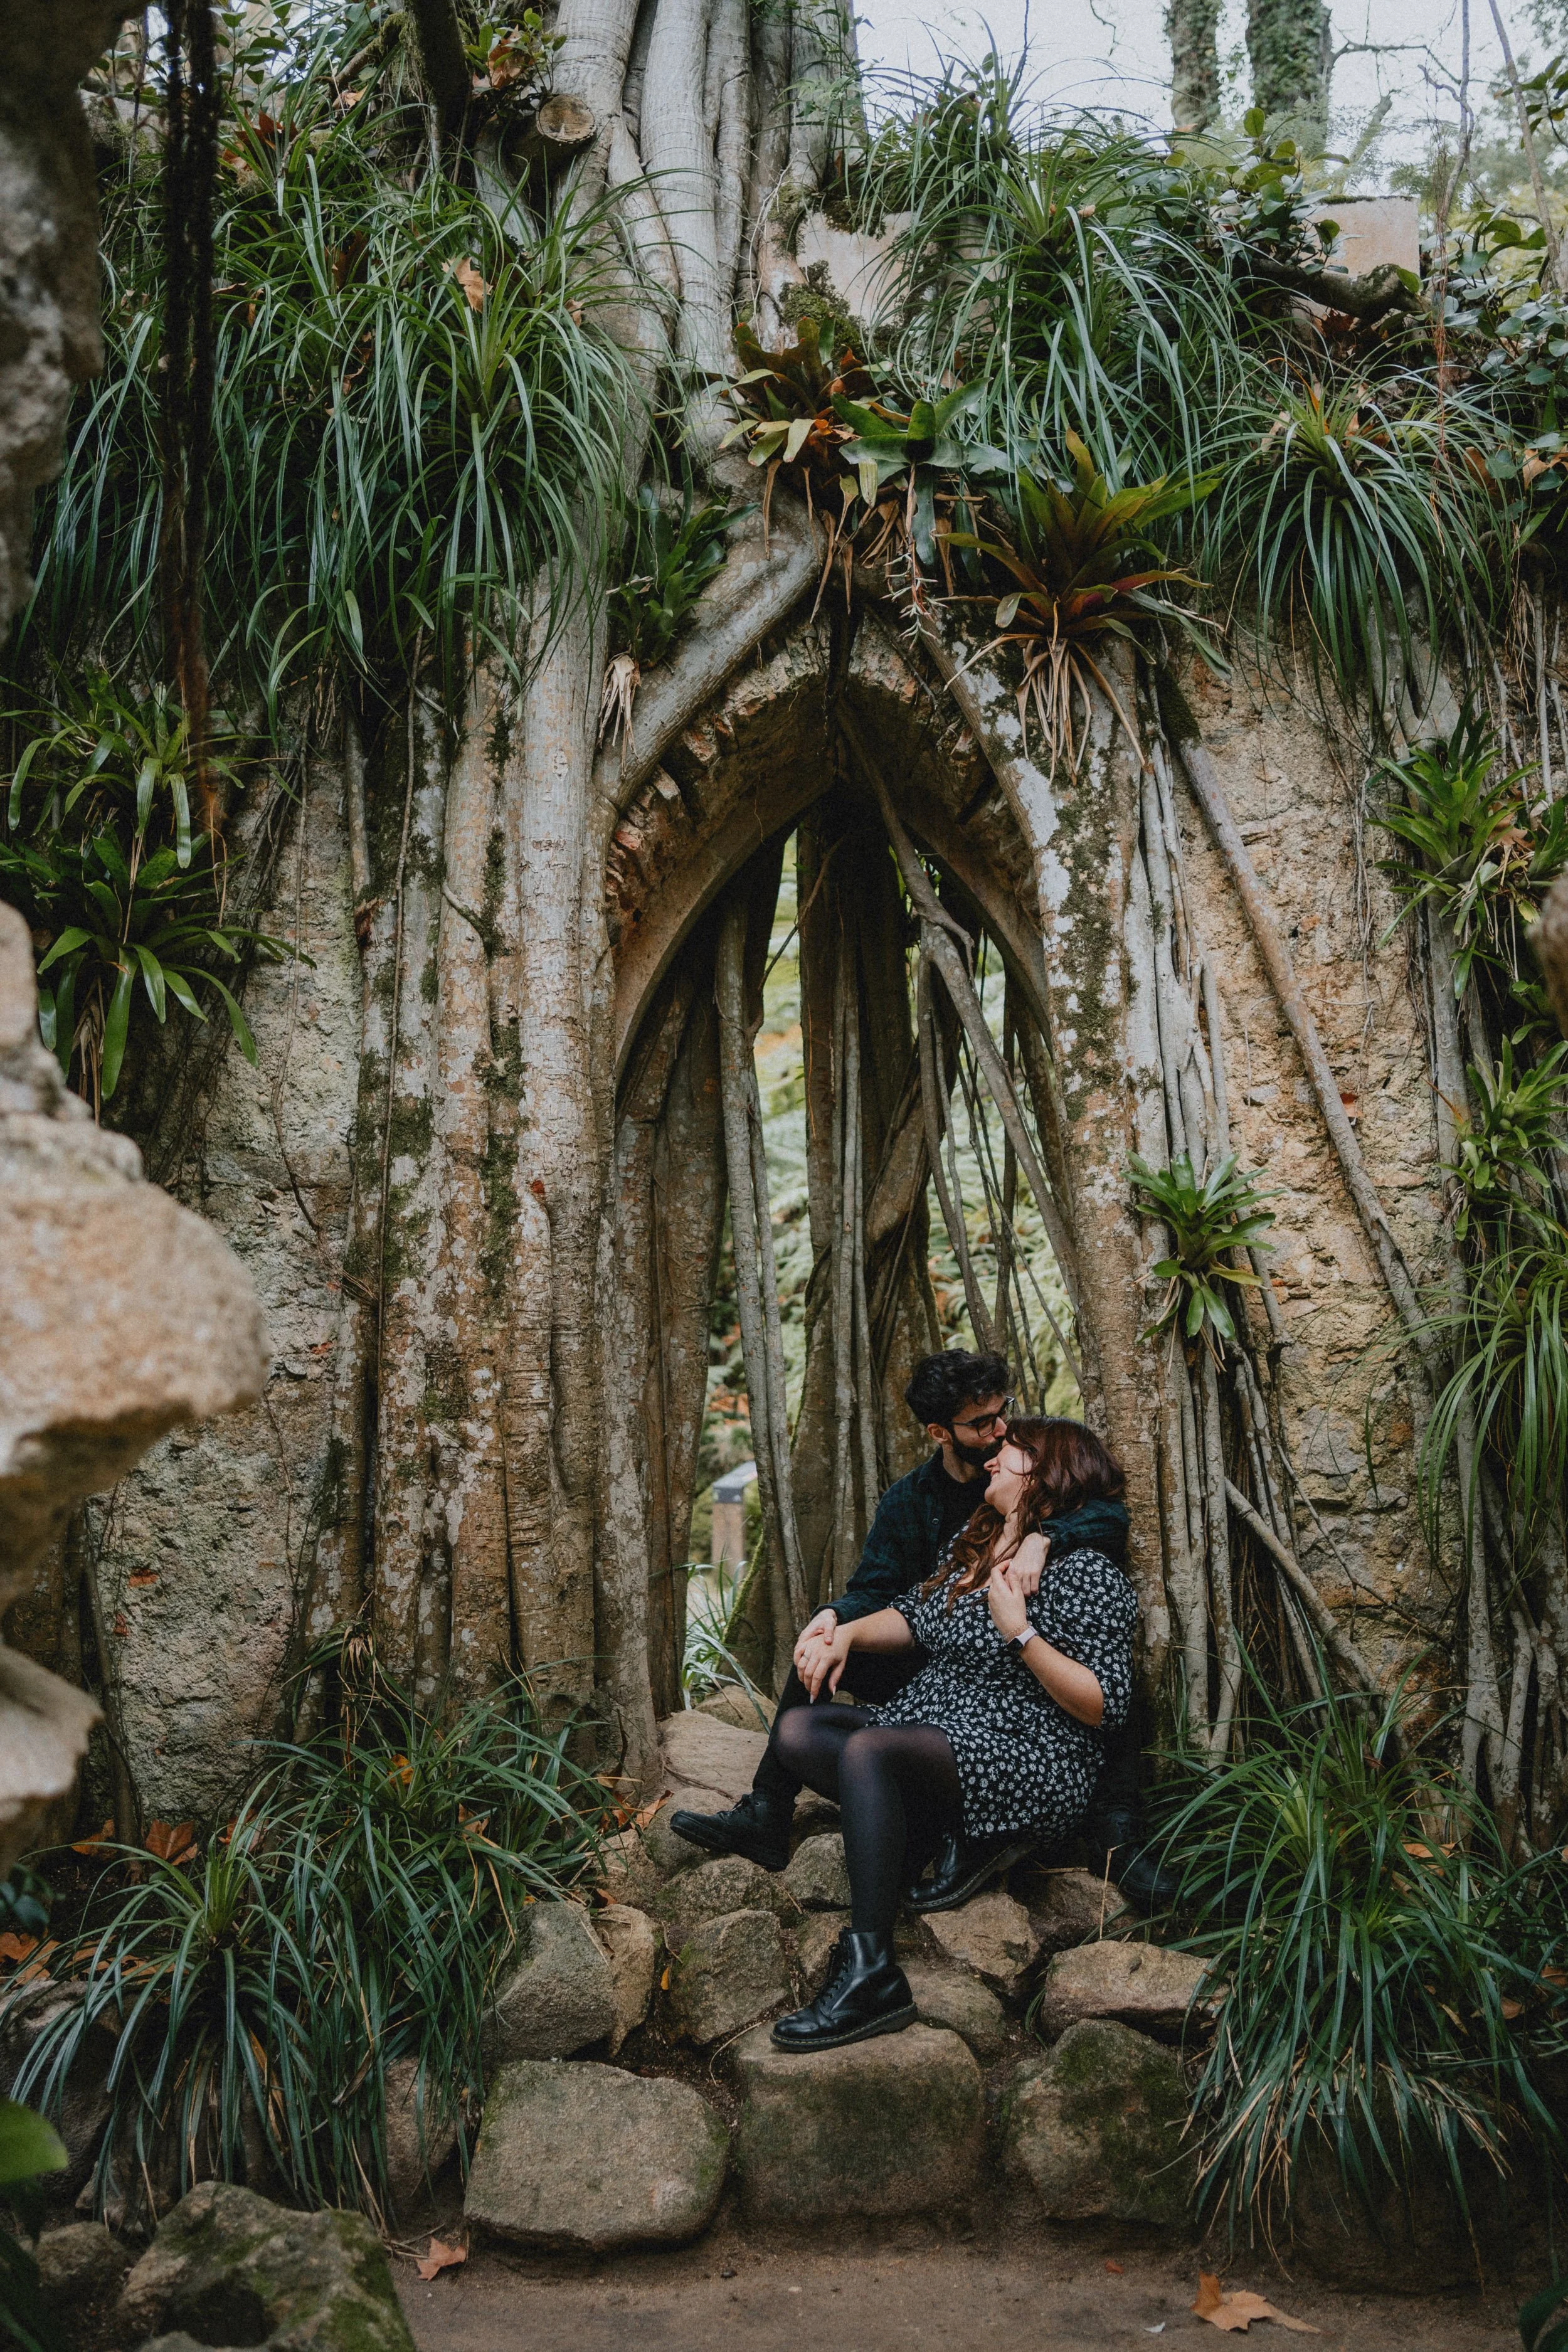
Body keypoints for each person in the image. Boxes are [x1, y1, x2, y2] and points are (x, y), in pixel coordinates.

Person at [672, 1349, 1166, 1907]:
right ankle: (769, 1809)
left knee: (1103, 1676)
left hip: (1018, 1686)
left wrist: (1043, 1537)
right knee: (821, 1649)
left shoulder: (1041, 1497)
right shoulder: (913, 1501)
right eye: (983, 1424)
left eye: (1003, 1414)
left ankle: (1116, 1830)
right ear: (940, 1432)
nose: (1000, 1431)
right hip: (933, 1657)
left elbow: (1104, 1509)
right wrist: (836, 1619)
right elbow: (882, 1591)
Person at [768, 1416, 1136, 2053]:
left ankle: (870, 1972)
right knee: (799, 1731)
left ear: (1049, 1472)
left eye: (1011, 1453)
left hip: (1028, 1753)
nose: (992, 1460)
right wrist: (845, 1634)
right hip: (937, 1731)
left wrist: (1021, 1632)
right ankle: (949, 1827)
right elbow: (911, 1617)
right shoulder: (979, 1542)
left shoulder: (1084, 1571)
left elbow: (1104, 1705)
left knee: (869, 1751)